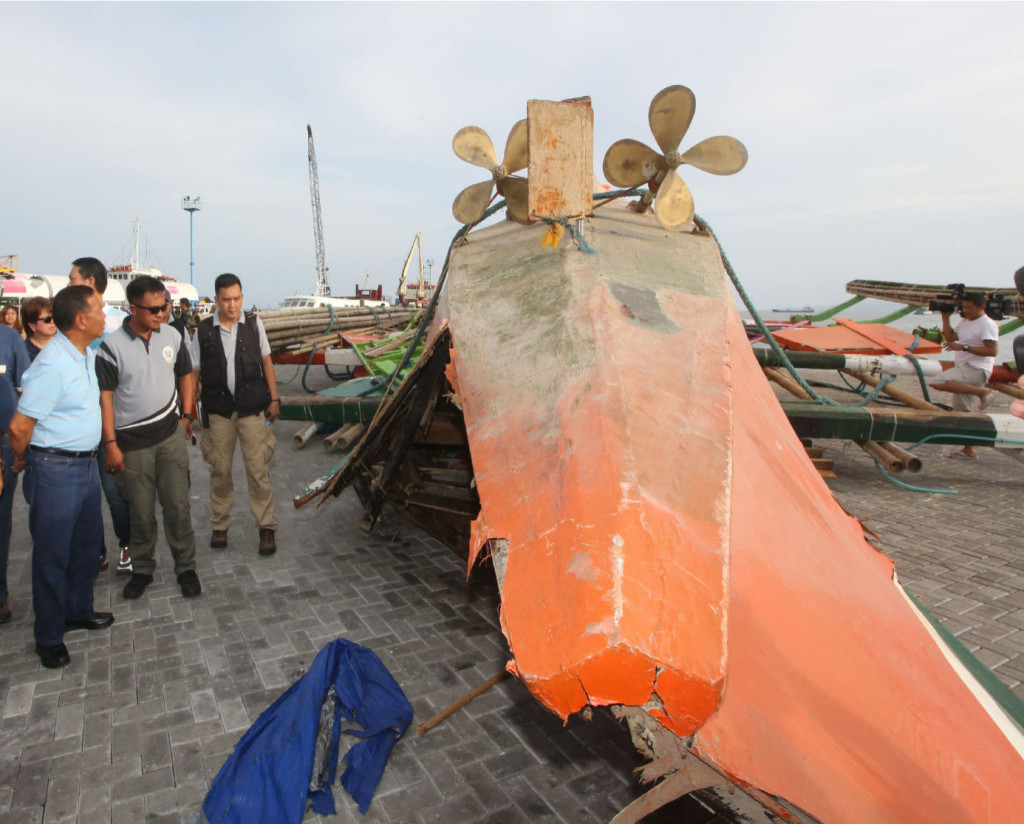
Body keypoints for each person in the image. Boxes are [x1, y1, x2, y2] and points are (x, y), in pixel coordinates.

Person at [7, 286, 114, 668]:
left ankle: (77, 610)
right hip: (54, 469)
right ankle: (49, 636)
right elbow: (20, 427)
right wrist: (24, 460)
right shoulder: (52, 365)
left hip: (84, 466)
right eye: (100, 309)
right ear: (81, 319)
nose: (105, 315)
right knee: (52, 555)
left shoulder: (82, 354)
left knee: (86, 547)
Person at [97, 275, 200, 600]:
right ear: (133, 308)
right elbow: (106, 400)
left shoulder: (172, 334)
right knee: (140, 513)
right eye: (154, 308)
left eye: (165, 306)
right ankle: (142, 570)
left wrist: (186, 415)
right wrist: (111, 444)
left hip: (170, 438)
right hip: (132, 446)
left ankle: (186, 568)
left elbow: (185, 373)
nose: (162, 313)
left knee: (178, 507)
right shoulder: (111, 348)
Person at [189, 273, 280, 555]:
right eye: (226, 299)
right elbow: (193, 370)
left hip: (252, 410)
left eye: (237, 298)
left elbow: (266, 361)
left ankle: (266, 527)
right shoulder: (203, 331)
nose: (232, 305)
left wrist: (275, 398)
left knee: (258, 470)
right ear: (216, 299)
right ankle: (220, 524)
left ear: (243, 297)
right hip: (218, 412)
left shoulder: (254, 325)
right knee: (220, 470)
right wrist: (188, 407)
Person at [68, 257, 132, 573]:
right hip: (78, 428)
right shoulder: (68, 325)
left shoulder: (119, 323)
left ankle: (128, 543)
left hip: (112, 425)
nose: (68, 285)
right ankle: (95, 552)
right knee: (86, 497)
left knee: (115, 493)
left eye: (72, 279)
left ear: (90, 282)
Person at [928, 291, 999, 458]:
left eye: (968, 308)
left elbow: (992, 351)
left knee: (936, 381)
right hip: (964, 367)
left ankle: (984, 392)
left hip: (977, 369)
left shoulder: (987, 324)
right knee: (963, 410)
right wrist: (945, 318)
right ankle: (970, 448)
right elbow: (951, 337)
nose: (964, 310)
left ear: (982, 307)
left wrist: (964, 348)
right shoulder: (966, 321)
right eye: (963, 307)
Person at [0, 319, 29, 625]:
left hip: (3, 445)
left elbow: (26, 389)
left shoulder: (9, 339)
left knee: (1, 520)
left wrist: (21, 446)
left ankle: (0, 596)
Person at [21, 298, 56, 362]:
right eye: (47, 319)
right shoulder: (21, 351)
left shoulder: (65, 347)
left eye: (54, 317)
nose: (52, 322)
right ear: (32, 325)